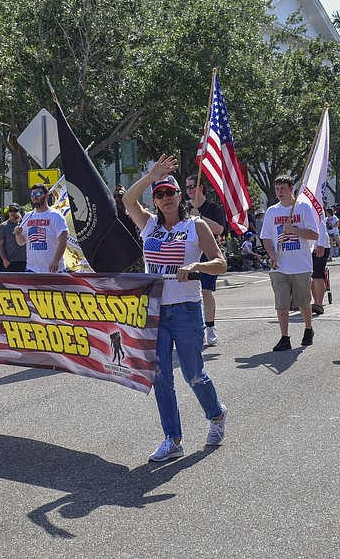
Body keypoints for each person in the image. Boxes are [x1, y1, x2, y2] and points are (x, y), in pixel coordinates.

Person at [122, 155, 228, 462]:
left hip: (185, 308)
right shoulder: (149, 225)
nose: (165, 198)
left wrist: (196, 265)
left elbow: (221, 263)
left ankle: (216, 415)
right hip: (154, 311)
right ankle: (173, 438)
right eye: (159, 194)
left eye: (170, 193)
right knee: (161, 377)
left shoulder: (196, 226)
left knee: (193, 373)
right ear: (154, 201)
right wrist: (151, 174)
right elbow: (128, 200)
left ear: (179, 196)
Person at [259, 175, 320, 351]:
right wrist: (271, 254)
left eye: (283, 188)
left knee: (303, 302)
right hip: (280, 266)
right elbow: (266, 238)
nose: (280, 192)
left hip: (301, 264)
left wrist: (293, 229)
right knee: (281, 302)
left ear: (291, 188)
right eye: (277, 189)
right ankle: (284, 336)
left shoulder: (303, 208)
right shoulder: (272, 211)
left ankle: (308, 328)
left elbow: (314, 235)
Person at [185, 174, 226, 346]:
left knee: (206, 291)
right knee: (190, 293)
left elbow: (219, 229)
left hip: (207, 254)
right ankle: (196, 328)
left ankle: (210, 327)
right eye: (186, 187)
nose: (189, 190)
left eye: (192, 186)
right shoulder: (183, 208)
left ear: (201, 187)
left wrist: (199, 217)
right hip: (189, 254)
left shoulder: (213, 207)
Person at [12, 183, 69, 273]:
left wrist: (56, 261)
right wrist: (18, 235)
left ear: (46, 195)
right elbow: (21, 242)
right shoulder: (28, 216)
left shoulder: (56, 216)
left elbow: (63, 241)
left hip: (54, 270)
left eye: (38, 194)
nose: (35, 197)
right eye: (32, 194)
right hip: (32, 269)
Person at [0, 203, 27, 272]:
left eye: (15, 211)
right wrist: (4, 260)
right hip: (11, 261)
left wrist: (20, 221)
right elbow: (0, 244)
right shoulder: (3, 226)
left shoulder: (24, 224)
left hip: (25, 260)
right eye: (11, 211)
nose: (13, 213)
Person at [311, 216, 330, 315]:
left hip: (320, 245)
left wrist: (321, 243)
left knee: (318, 276)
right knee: (312, 276)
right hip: (309, 246)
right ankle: (316, 302)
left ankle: (319, 303)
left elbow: (321, 225)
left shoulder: (315, 206)